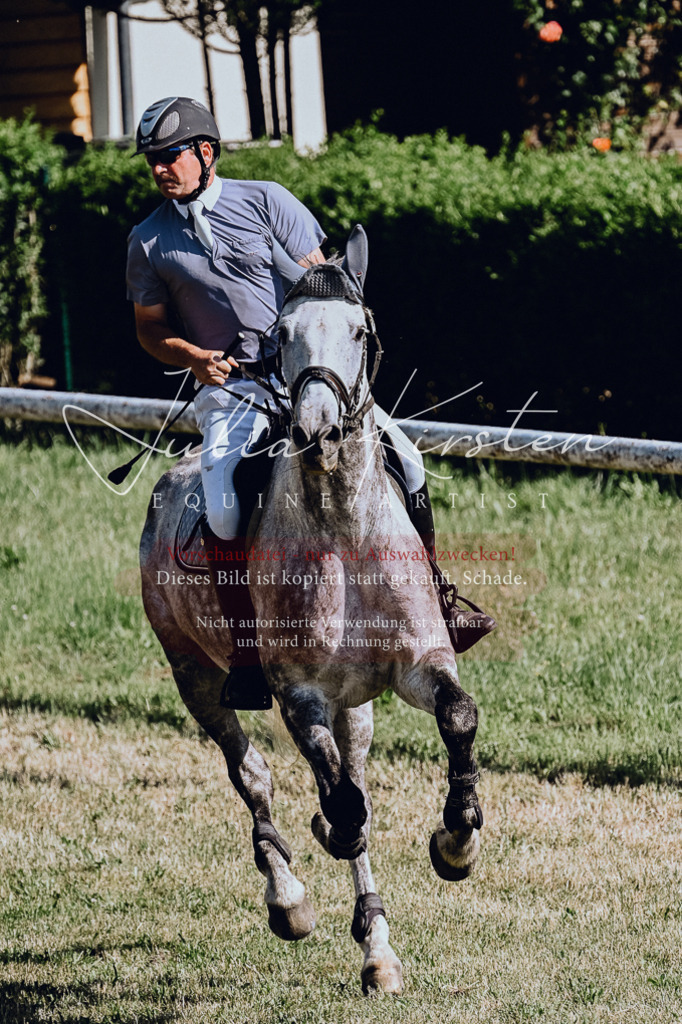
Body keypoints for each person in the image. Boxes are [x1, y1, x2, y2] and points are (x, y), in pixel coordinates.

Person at [126, 97, 494, 710]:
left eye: (170, 156)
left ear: (205, 153)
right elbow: (148, 329)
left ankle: (440, 603)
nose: (160, 169)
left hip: (309, 382)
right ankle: (247, 652)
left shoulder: (267, 200)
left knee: (409, 462)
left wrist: (316, 363)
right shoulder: (147, 241)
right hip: (234, 393)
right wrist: (193, 357)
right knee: (220, 503)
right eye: (152, 160)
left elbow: (325, 288)